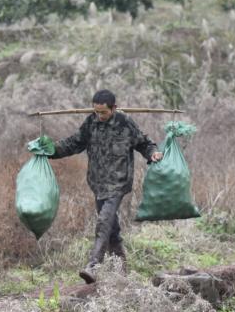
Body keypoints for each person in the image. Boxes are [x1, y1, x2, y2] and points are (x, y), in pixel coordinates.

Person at [50, 89, 163, 283]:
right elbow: (74, 143)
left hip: (118, 183)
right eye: (96, 112)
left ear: (114, 108)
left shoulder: (124, 123)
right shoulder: (91, 123)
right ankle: (121, 269)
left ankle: (93, 265)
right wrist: (49, 150)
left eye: (103, 112)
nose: (99, 116)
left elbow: (144, 143)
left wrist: (153, 154)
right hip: (97, 183)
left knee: (104, 221)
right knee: (111, 228)